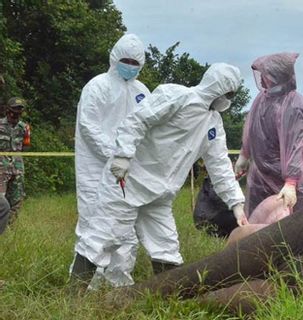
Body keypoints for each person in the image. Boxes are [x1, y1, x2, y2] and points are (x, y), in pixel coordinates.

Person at [70, 63, 247, 287]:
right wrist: (123, 155)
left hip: (160, 194)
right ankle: (74, 296)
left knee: (166, 245)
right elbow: (137, 120)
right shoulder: (176, 96)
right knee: (102, 236)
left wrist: (236, 203)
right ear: (218, 87)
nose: (228, 100)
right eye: (228, 94)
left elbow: (220, 164)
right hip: (129, 182)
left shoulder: (213, 123)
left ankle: (169, 298)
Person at [71, 34, 150, 288]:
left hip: (127, 171)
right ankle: (88, 285)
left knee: (125, 226)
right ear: (115, 57)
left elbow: (148, 128)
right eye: (126, 60)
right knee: (93, 222)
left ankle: (119, 283)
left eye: (135, 62)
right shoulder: (98, 86)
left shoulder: (142, 92)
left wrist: (130, 159)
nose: (130, 65)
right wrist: (115, 154)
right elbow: (88, 126)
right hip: (94, 167)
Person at [234, 52, 303, 215]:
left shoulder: (293, 104)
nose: (261, 78)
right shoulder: (262, 100)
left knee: (301, 219)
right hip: (264, 171)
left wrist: (291, 181)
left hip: (298, 176)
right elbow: (251, 129)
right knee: (261, 218)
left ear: (275, 75)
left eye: (265, 74)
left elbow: (296, 145)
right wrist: (244, 155)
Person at [0, 97, 31, 226]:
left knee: (17, 200)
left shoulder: (24, 127)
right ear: (8, 110)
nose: (17, 113)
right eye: (15, 109)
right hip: (1, 169)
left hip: (17, 169)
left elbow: (26, 146)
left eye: (20, 110)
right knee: (1, 201)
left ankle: (9, 230)